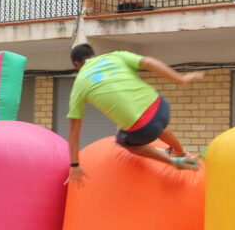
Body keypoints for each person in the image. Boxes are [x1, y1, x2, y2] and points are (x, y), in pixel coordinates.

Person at [64, 44, 204, 186]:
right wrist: (181, 79)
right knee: (154, 125)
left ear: (76, 64)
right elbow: (148, 62)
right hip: (161, 107)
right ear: (92, 55)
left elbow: (74, 131)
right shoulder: (115, 55)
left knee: (123, 140)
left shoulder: (80, 83)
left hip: (143, 128)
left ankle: (173, 161)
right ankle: (180, 151)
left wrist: (74, 165)